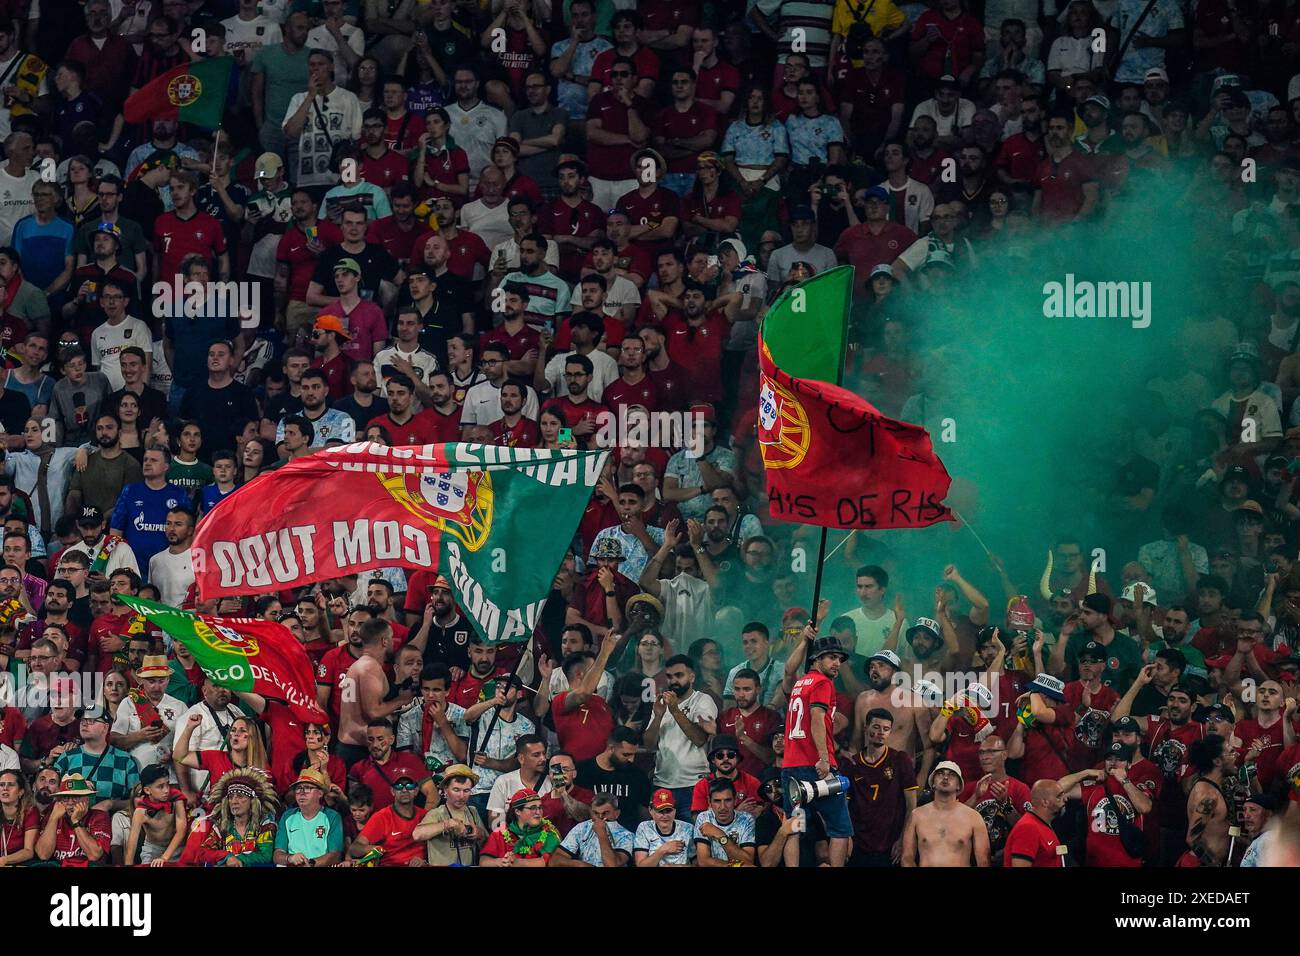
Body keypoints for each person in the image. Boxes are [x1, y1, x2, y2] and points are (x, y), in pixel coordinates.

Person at [780, 627, 853, 867]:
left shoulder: (801, 683)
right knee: (840, 828)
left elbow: (788, 669)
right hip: (816, 766)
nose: (837, 663)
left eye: (839, 659)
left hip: (790, 766)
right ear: (817, 659)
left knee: (794, 826)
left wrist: (803, 641)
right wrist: (824, 758)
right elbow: (817, 718)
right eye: (832, 657)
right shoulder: (822, 683)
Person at [844, 707, 918, 866]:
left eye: (886, 729)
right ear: (866, 728)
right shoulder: (852, 764)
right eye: (876, 727)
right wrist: (846, 838)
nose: (881, 732)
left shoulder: (899, 760)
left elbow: (911, 805)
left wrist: (903, 839)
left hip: (890, 844)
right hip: (858, 843)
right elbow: (844, 806)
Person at [414, 763, 487, 866]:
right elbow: (417, 834)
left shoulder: (472, 811)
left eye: (466, 791)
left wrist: (480, 833)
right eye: (456, 790)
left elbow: (487, 842)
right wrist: (448, 824)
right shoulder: (436, 813)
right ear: (445, 790)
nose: (461, 796)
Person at [549, 794, 633, 866]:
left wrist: (601, 833)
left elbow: (611, 865)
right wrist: (578, 864)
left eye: (605, 813)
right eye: (596, 813)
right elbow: (554, 861)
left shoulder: (626, 836)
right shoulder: (582, 828)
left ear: (617, 814)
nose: (600, 818)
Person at [1004, 778, 1068, 866]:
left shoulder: (1042, 824)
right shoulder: (1028, 828)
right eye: (1059, 796)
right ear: (1045, 802)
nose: (1065, 799)